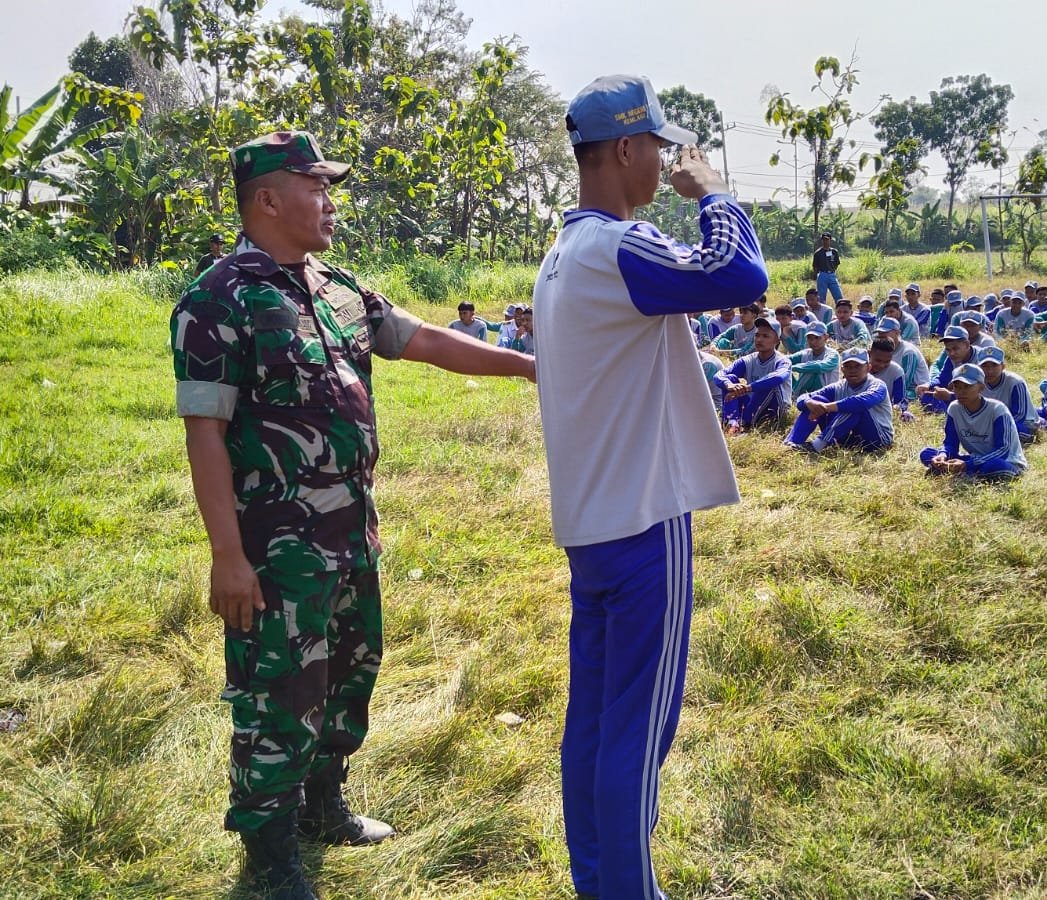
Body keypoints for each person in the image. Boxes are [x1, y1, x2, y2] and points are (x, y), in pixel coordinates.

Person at [171, 130, 537, 899]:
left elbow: (426, 340)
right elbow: (204, 430)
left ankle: (322, 806)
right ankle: (270, 854)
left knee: (346, 678)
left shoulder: (338, 288)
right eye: (317, 186)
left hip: (351, 535)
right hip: (275, 554)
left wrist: (532, 367)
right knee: (278, 696)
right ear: (268, 199)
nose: (330, 200)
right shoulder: (217, 300)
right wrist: (227, 556)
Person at [531, 74, 767, 900]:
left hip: (594, 524)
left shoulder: (563, 255)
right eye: (661, 150)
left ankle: (600, 883)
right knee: (638, 732)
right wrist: (715, 195)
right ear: (627, 149)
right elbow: (739, 275)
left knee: (595, 728)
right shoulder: (617, 247)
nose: (668, 164)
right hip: (642, 520)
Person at [919, 363, 1027, 480]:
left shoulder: (997, 409)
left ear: (981, 387)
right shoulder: (954, 408)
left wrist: (967, 465)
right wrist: (943, 455)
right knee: (927, 454)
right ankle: (958, 470)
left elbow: (1003, 450)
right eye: (957, 387)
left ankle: (961, 472)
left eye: (967, 386)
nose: (961, 392)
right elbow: (950, 443)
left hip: (1005, 461)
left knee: (996, 466)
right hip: (975, 459)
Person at [783, 348, 894, 452]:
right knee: (816, 400)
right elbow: (803, 398)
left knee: (853, 407)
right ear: (842, 369)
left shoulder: (878, 385)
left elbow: (861, 402)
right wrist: (809, 402)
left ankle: (816, 446)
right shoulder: (838, 387)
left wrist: (826, 407)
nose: (853, 370)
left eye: (857, 366)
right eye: (848, 366)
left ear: (868, 367)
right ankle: (792, 443)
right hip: (850, 438)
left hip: (877, 439)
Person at [717, 317, 793, 434]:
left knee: (769, 384)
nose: (759, 339)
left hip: (775, 409)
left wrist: (748, 388)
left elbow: (778, 377)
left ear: (777, 341)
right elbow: (720, 375)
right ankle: (731, 425)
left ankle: (745, 425)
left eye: (765, 336)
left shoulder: (783, 361)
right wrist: (729, 385)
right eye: (757, 335)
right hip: (753, 405)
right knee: (730, 379)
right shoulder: (748, 360)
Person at [975, 346, 1037, 442]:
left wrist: (994, 425)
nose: (990, 371)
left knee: (1012, 430)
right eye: (985, 366)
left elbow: (1020, 415)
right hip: (990, 422)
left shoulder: (1015, 382)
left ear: (1003, 366)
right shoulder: (976, 384)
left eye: (994, 365)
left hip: (1021, 422)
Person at [867, 338, 913, 422]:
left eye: (887, 361)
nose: (881, 365)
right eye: (878, 360)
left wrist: (898, 408)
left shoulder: (896, 371)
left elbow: (901, 400)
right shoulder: (858, 367)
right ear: (869, 354)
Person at [789, 322, 840, 396]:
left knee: (811, 370)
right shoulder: (805, 354)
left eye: (817, 338)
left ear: (826, 337)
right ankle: (793, 393)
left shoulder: (832, 354)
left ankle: (795, 396)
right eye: (810, 338)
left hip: (827, 395)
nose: (813, 342)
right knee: (783, 368)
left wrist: (794, 367)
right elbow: (785, 360)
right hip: (807, 395)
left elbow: (819, 367)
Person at [812, 232, 843, 302]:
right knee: (821, 298)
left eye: (827, 239)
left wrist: (831, 270)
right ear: (821, 241)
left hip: (832, 275)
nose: (825, 241)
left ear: (830, 240)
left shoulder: (834, 252)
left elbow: (837, 263)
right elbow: (815, 266)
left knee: (839, 297)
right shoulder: (818, 253)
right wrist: (819, 274)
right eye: (823, 240)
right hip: (822, 275)